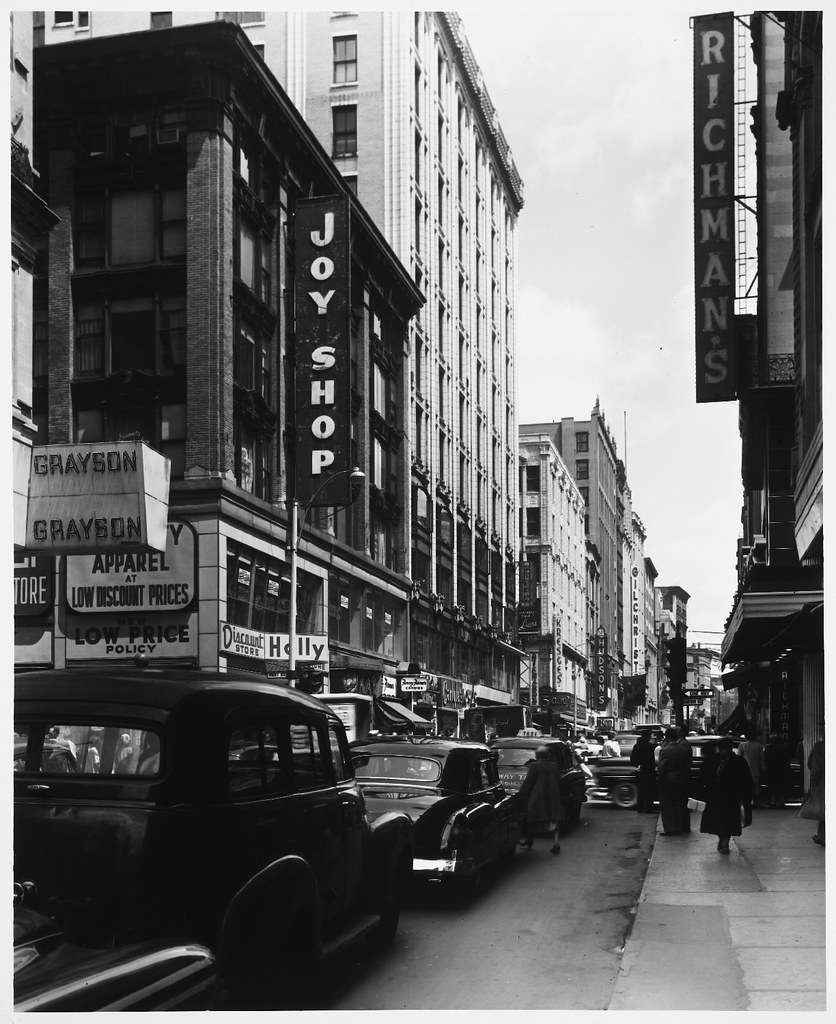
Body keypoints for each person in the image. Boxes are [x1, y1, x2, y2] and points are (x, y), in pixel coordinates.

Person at [699, 735, 754, 853]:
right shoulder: (712, 760)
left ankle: (725, 843)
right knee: (718, 822)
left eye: (725, 749)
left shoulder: (739, 762)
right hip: (715, 796)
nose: (723, 752)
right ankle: (722, 839)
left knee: (728, 822)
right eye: (721, 749)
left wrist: (745, 798)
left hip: (731, 797)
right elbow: (703, 777)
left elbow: (746, 782)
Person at [518, 746, 564, 855]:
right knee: (554, 820)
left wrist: (522, 793)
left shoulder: (535, 766)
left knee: (531, 818)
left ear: (538, 755)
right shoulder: (554, 766)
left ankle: (529, 839)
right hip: (553, 796)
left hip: (539, 796)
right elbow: (560, 781)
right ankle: (556, 843)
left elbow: (529, 782)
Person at [656, 727, 691, 835]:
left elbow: (661, 769)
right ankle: (681, 827)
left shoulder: (665, 751)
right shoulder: (683, 750)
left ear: (667, 737)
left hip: (668, 781)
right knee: (680, 804)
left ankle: (671, 829)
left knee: (668, 806)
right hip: (682, 780)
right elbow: (688, 765)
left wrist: (659, 781)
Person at [805, 727, 825, 847]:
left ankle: (823, 836)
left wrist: (813, 782)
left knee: (824, 810)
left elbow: (814, 765)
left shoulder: (820, 746)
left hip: (824, 781)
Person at [630, 731, 657, 813]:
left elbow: (632, 759)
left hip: (640, 770)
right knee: (650, 790)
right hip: (650, 770)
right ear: (649, 737)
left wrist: (638, 765)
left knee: (640, 790)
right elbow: (655, 760)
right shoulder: (652, 747)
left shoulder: (636, 746)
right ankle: (649, 808)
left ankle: (640, 808)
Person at [736, 731, 766, 807]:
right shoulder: (759, 746)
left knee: (745, 787)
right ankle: (756, 801)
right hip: (756, 770)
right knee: (756, 787)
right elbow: (762, 759)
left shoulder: (742, 745)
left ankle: (746, 802)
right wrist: (764, 769)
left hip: (744, 771)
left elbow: (739, 757)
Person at [763, 733, 792, 809]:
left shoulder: (768, 748)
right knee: (782, 786)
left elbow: (765, 758)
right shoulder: (784, 748)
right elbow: (787, 760)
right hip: (782, 770)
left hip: (771, 770)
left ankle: (773, 802)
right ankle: (781, 802)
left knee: (772, 786)